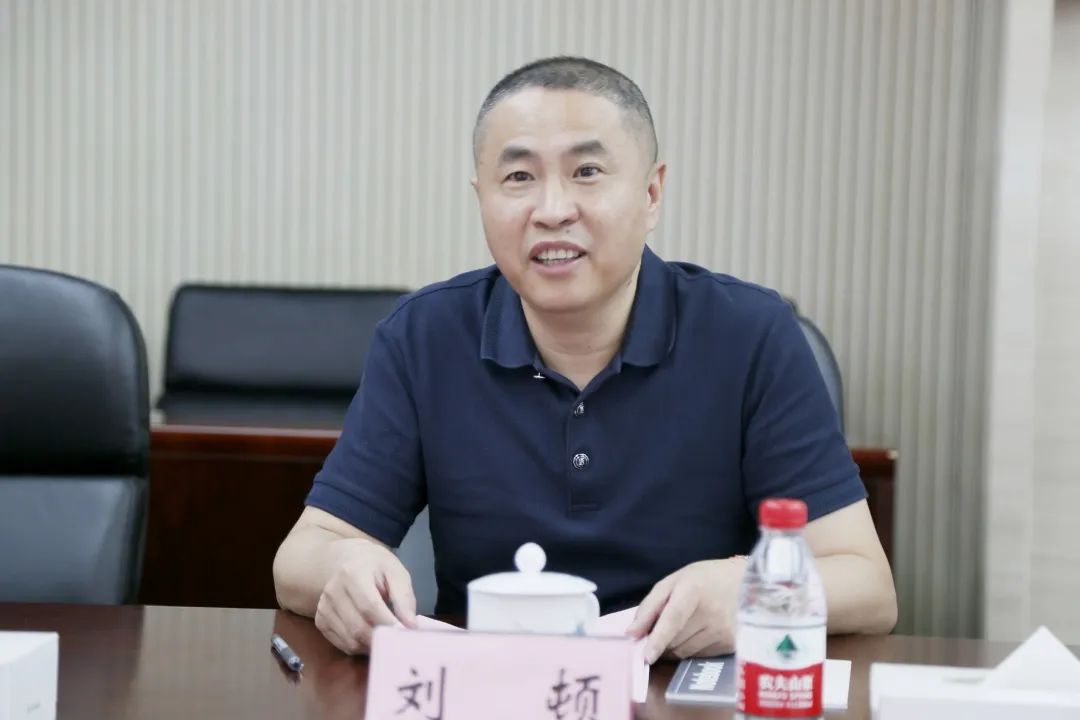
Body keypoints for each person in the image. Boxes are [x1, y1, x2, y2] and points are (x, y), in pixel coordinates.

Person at [273, 56, 897, 664]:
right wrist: (343, 566)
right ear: (481, 196)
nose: (552, 210)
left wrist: (749, 593)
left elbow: (867, 584)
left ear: (652, 192)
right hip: (491, 689)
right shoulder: (424, 337)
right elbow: (301, 557)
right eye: (519, 177)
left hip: (683, 686)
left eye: (587, 171)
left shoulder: (750, 334)